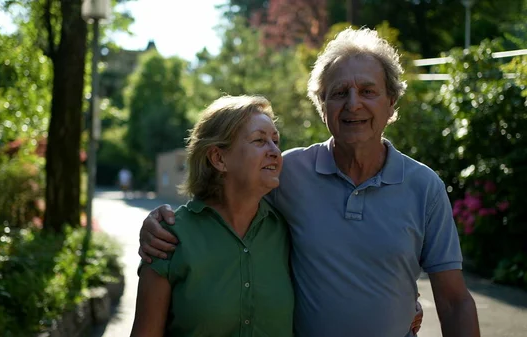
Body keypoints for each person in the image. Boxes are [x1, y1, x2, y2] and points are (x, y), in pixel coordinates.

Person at [141, 27, 469, 336]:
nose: (353, 104)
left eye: (368, 91)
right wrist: (160, 222)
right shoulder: (288, 172)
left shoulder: (424, 187)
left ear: (391, 102)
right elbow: (226, 200)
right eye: (339, 93)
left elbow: (454, 301)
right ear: (322, 106)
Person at [130, 95, 295, 336]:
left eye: (276, 141)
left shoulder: (286, 229)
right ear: (218, 158)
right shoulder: (169, 238)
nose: (275, 152)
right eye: (260, 140)